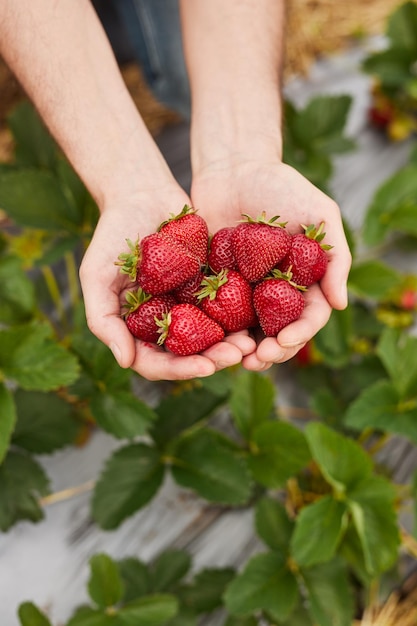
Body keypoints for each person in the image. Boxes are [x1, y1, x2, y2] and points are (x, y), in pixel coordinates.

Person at [0, 0, 351, 381]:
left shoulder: (213, 266)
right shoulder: (199, 272)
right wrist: (124, 185)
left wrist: (243, 150)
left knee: (179, 71)